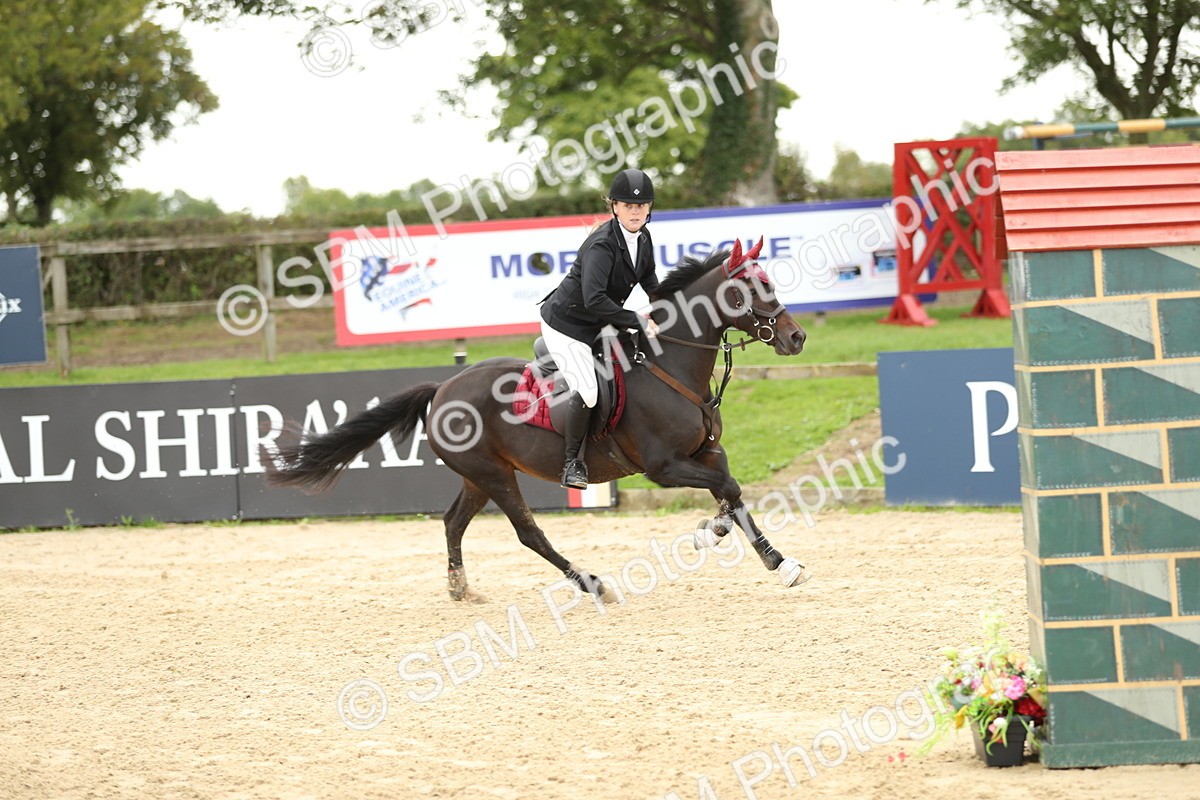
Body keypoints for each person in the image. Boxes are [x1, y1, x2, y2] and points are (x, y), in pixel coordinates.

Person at [539, 168, 661, 489]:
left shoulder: (643, 238)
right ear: (615, 208)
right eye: (628, 205)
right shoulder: (602, 246)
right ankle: (573, 464)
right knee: (590, 391)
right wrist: (636, 320)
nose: (635, 211)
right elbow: (594, 300)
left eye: (641, 205)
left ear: (649, 209)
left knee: (636, 363)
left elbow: (649, 280)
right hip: (567, 326)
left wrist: (666, 307)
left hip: (598, 321)